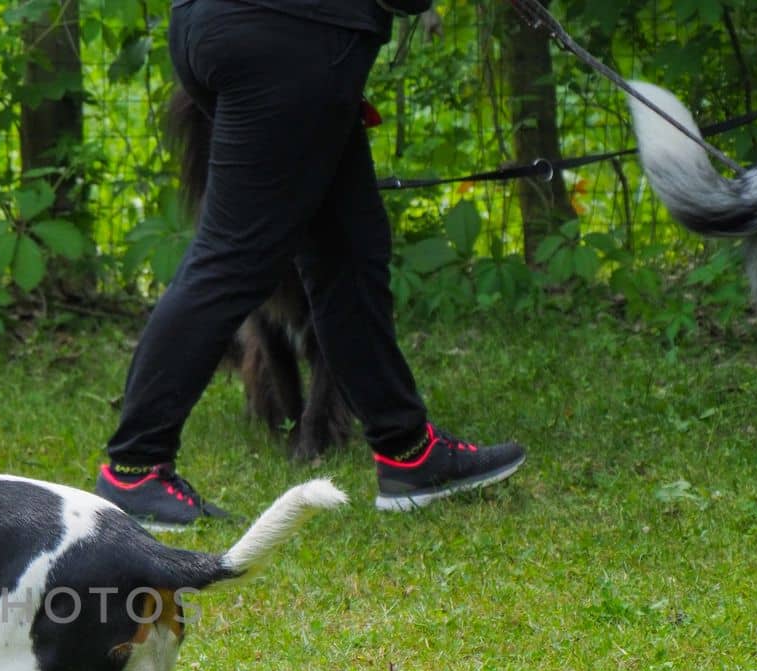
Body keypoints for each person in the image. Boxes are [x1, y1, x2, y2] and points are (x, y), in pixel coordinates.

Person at [95, 0, 526, 524]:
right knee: (235, 256)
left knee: (348, 250)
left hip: (235, 24)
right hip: (293, 32)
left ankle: (408, 451)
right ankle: (134, 469)